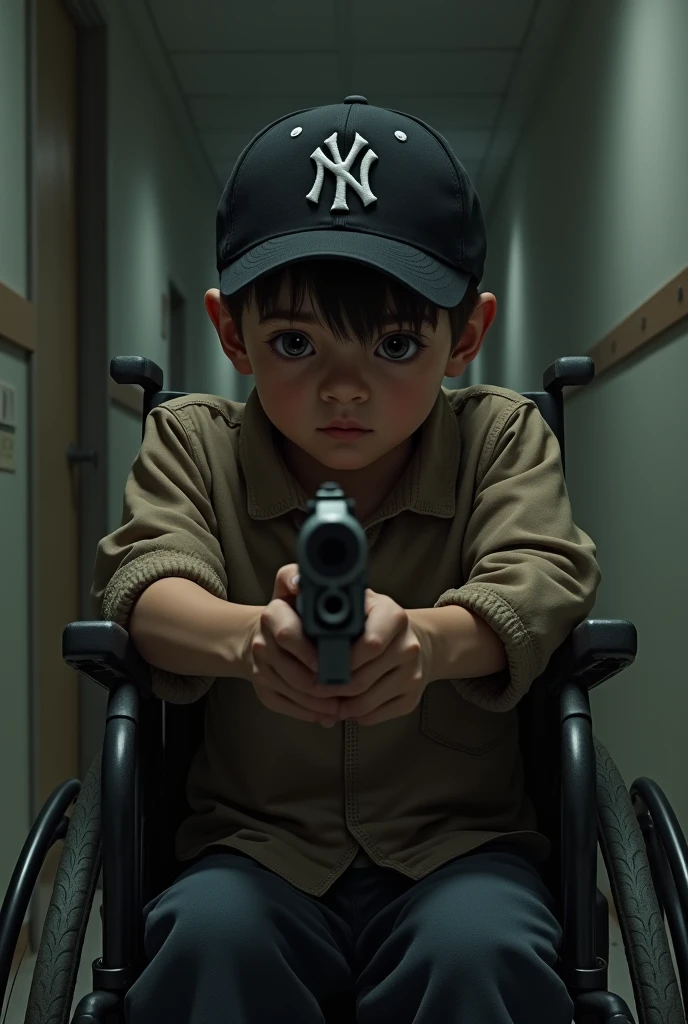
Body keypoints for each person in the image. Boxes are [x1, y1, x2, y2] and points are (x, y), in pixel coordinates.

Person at [91, 96, 599, 1023]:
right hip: (252, 845)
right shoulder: (192, 443)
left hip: (459, 847)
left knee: (484, 955)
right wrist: (251, 640)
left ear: (468, 335)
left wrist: (429, 644)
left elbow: (541, 570)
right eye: (294, 343)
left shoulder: (499, 438)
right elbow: (147, 580)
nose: (344, 389)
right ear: (230, 332)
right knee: (206, 943)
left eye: (397, 344)